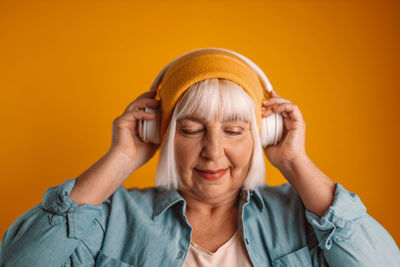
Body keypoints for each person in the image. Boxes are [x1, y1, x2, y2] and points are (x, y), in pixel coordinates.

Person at [0, 48, 399, 267]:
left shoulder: (302, 217)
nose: (213, 151)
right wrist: (121, 158)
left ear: (262, 135)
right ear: (162, 134)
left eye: (234, 131)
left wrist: (296, 162)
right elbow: (20, 262)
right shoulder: (112, 219)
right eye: (191, 130)